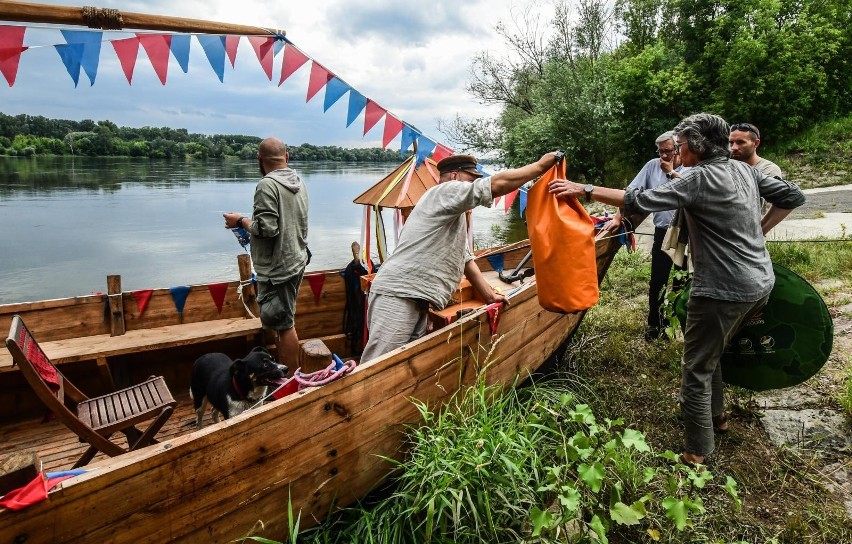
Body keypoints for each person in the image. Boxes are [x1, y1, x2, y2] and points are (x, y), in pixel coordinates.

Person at [548, 113, 805, 465]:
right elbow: (794, 195)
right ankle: (716, 417)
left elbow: (637, 199)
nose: (677, 152)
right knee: (711, 353)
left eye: (681, 145)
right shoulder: (744, 169)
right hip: (760, 281)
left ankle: (697, 453)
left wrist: (585, 190)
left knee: (696, 367)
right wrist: (761, 228)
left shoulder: (698, 178)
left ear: (697, 146)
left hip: (720, 288)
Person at [360, 151, 562, 364]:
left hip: (415, 298)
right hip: (398, 293)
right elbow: (496, 184)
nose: (474, 184)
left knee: (399, 366)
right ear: (454, 176)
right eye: (471, 179)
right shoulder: (445, 190)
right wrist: (540, 166)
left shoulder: (451, 215)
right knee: (378, 364)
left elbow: (465, 259)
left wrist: (489, 295)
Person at [223, 137, 309, 369]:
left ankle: (289, 382)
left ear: (259, 159)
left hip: (278, 268)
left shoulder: (266, 185)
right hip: (296, 259)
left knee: (284, 325)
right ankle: (286, 375)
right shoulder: (299, 182)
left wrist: (240, 221)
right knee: (284, 320)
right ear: (287, 157)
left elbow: (266, 229)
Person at [605, 131, 688, 340]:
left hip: (687, 233)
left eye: (668, 151)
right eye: (660, 151)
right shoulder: (653, 165)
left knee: (683, 280)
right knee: (657, 280)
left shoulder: (691, 167)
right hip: (663, 231)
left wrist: (670, 172)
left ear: (678, 148)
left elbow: (685, 192)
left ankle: (678, 324)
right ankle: (655, 324)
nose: (663, 156)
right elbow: (630, 192)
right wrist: (617, 218)